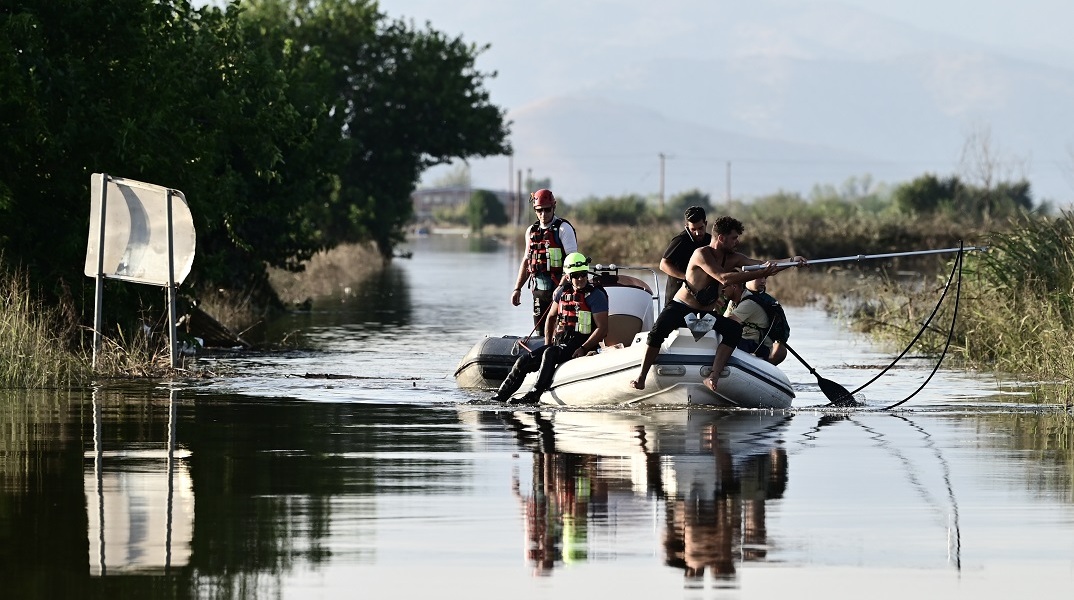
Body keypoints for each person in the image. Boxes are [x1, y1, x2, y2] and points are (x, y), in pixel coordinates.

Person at [629, 216, 805, 393]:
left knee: (733, 330)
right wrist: (761, 272)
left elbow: (761, 265)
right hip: (681, 307)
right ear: (721, 238)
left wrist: (792, 261)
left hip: (705, 314)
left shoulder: (734, 258)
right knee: (657, 332)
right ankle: (642, 377)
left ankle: (713, 376)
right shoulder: (702, 254)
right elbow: (723, 277)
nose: (737, 242)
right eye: (734, 238)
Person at [494, 252, 609, 404]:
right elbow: (551, 317)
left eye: (583, 275)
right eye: (576, 275)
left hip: (580, 343)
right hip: (561, 343)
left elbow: (602, 328)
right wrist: (548, 342)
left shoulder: (596, 295)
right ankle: (500, 397)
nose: (580, 279)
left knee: (551, 352)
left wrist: (583, 347)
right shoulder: (562, 292)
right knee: (524, 360)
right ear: (568, 277)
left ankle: (534, 394)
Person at [510, 189, 578, 332]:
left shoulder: (564, 229)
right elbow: (526, 261)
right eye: (539, 210)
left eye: (547, 210)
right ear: (535, 210)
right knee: (540, 332)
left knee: (560, 331)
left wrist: (561, 287)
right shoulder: (531, 231)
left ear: (554, 207)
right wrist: (517, 289)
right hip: (539, 293)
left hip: (561, 290)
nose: (543, 214)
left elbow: (573, 263)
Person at [725, 276, 789, 365]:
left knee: (725, 342)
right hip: (746, 341)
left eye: (764, 278)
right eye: (758, 278)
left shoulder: (749, 302)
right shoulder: (736, 300)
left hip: (755, 346)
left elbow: (727, 324)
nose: (763, 281)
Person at [659, 206, 711, 304]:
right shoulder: (680, 240)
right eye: (693, 229)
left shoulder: (710, 241)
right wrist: (687, 278)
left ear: (706, 224)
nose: (697, 233)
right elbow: (663, 265)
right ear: (687, 227)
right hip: (677, 296)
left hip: (700, 298)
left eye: (701, 228)